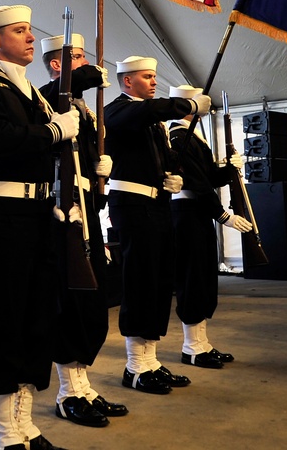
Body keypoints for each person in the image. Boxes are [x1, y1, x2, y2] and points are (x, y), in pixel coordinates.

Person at [0, 4, 79, 450]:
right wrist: (55, 132)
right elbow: (0, 139)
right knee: (6, 315)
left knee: (36, 317)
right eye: (20, 31)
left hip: (38, 213)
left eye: (30, 29)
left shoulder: (32, 91)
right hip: (0, 213)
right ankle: (5, 434)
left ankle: (25, 424)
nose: (31, 38)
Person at [103, 56, 209, 394]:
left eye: (154, 76)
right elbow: (146, 112)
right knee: (140, 280)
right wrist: (187, 105)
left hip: (157, 204)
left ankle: (150, 360)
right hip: (131, 206)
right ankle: (135, 365)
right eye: (146, 77)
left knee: (160, 282)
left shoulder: (153, 121)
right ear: (126, 81)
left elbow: (157, 153)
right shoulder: (119, 110)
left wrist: (170, 175)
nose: (152, 81)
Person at [37, 34, 128, 427]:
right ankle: (67, 392)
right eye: (75, 57)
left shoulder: (83, 108)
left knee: (91, 303)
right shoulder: (46, 99)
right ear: (57, 65)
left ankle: (83, 385)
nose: (84, 61)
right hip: (64, 212)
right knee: (70, 301)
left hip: (89, 208)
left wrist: (101, 170)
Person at [166, 85, 252, 368]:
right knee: (192, 278)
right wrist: (222, 215)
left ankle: (202, 343)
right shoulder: (178, 136)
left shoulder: (194, 137)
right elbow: (198, 183)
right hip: (186, 211)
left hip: (197, 211)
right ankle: (191, 347)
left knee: (204, 277)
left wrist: (230, 168)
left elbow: (210, 177)